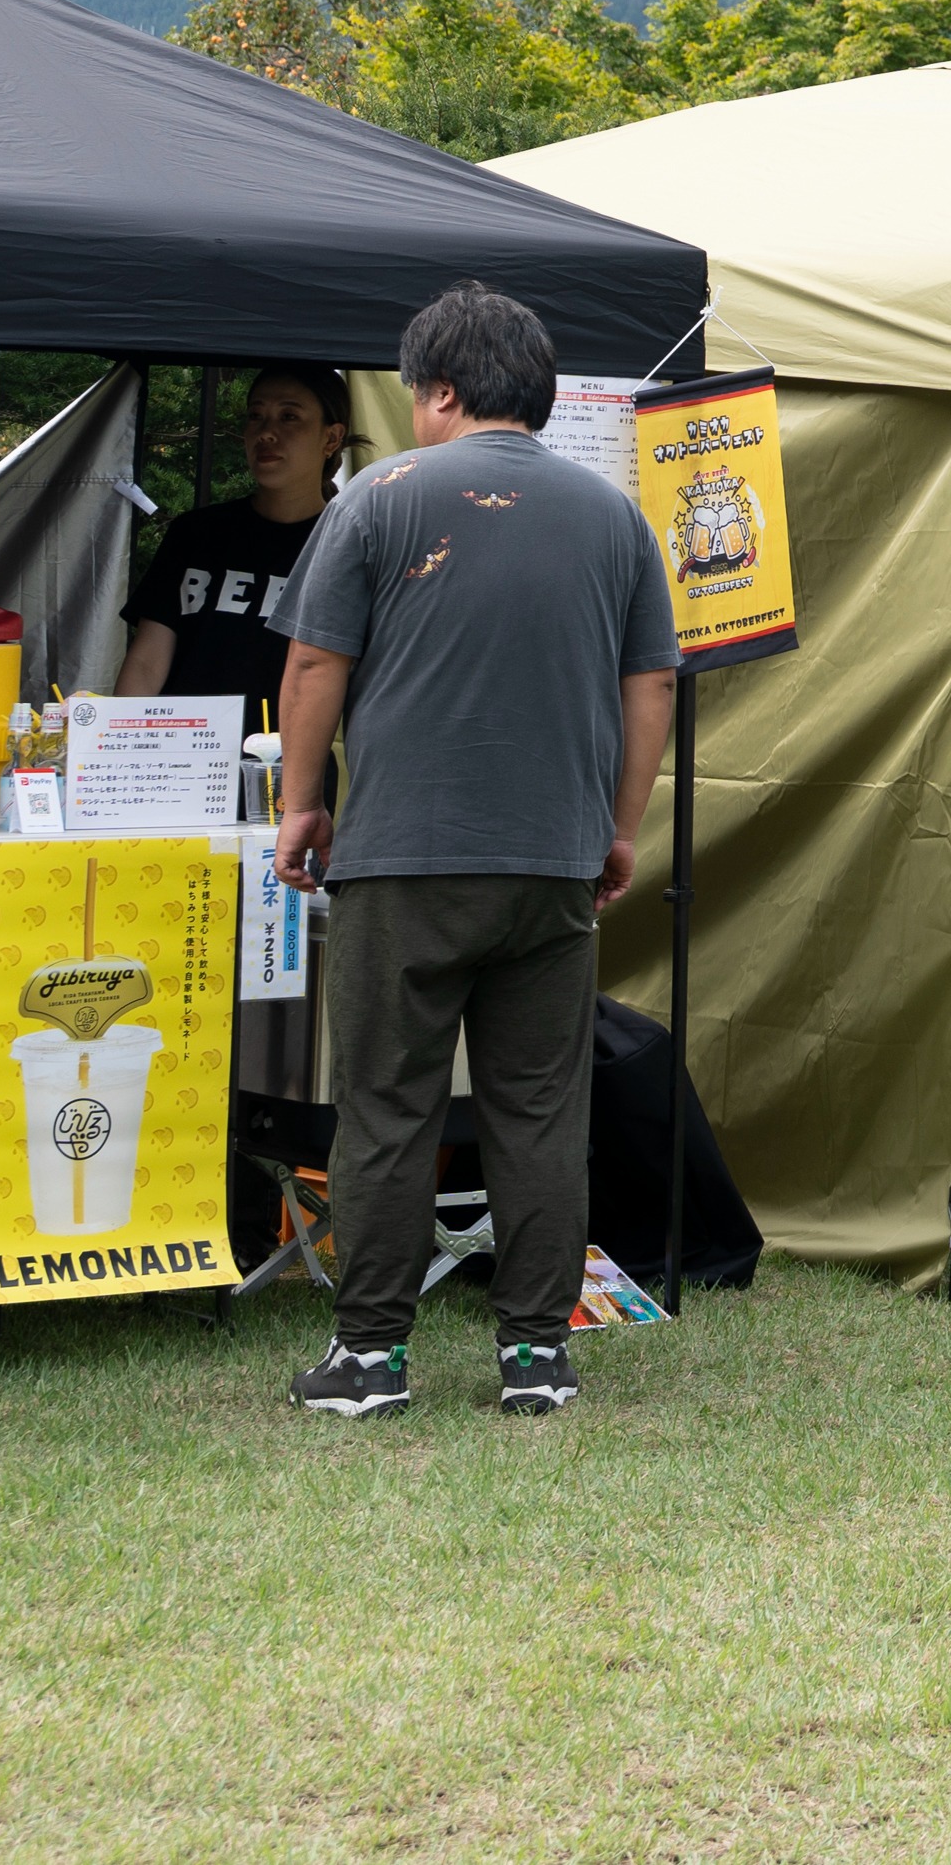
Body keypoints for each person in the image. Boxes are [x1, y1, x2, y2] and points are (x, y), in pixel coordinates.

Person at [269, 283, 679, 1422]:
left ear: (441, 391)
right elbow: (649, 685)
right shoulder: (614, 517)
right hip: (552, 858)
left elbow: (313, 669)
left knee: (387, 1105)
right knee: (540, 1110)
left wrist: (302, 804)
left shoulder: (377, 499)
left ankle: (369, 1360)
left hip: (402, 856)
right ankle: (537, 1356)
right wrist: (618, 825)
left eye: (415, 396)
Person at [117, 363, 357, 714]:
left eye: (289, 417)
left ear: (332, 438)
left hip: (283, 764)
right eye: (255, 416)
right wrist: (114, 747)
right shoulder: (196, 533)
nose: (266, 433)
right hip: (179, 755)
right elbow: (147, 663)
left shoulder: (350, 546)